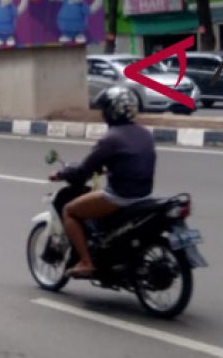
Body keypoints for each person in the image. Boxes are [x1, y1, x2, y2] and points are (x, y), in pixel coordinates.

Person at [50, 87, 156, 279]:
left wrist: (62, 173)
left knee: (69, 210)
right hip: (145, 196)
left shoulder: (111, 138)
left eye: (104, 109)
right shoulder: (145, 134)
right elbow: (128, 161)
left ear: (111, 111)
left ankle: (86, 262)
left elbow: (83, 172)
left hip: (120, 197)